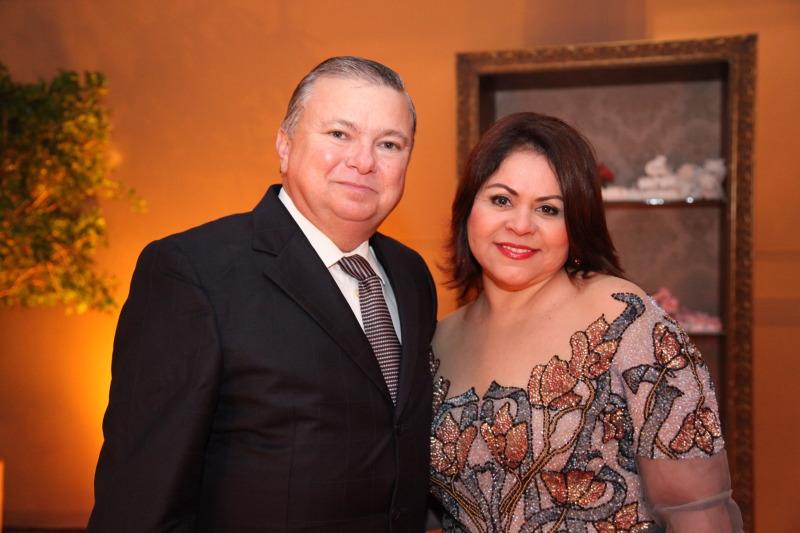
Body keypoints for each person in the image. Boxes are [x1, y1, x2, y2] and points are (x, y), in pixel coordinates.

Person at [88, 56, 437, 532]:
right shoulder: (194, 273)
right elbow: (139, 502)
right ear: (285, 145)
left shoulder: (411, 276)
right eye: (339, 134)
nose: (363, 161)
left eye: (389, 144)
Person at [429, 112, 742, 532]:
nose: (520, 225)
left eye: (548, 209)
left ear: (575, 225)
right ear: (468, 209)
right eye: (501, 200)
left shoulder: (623, 319)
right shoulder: (439, 340)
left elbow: (697, 509)